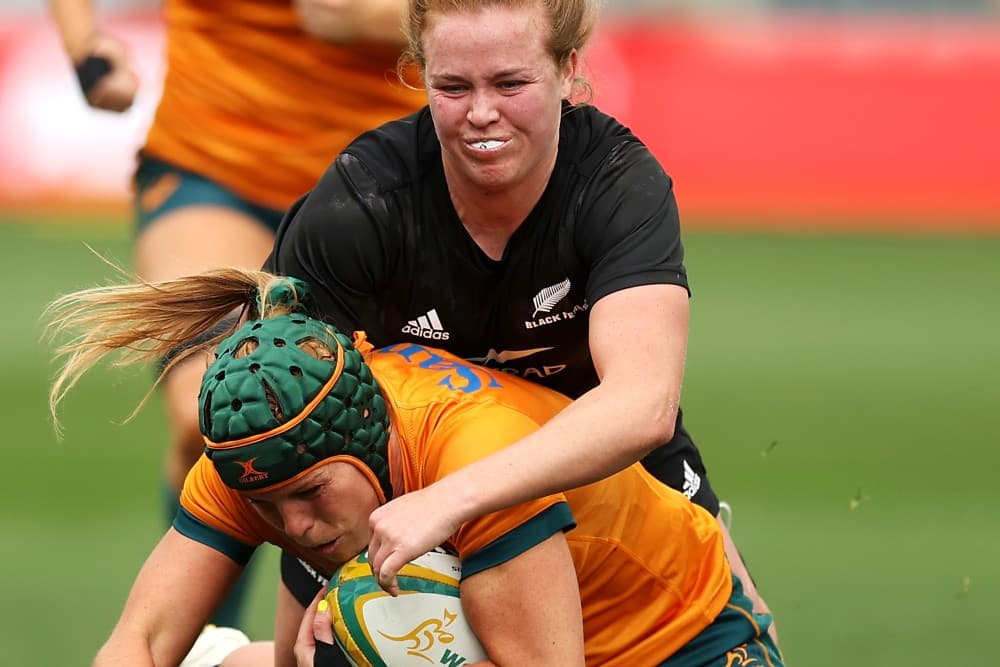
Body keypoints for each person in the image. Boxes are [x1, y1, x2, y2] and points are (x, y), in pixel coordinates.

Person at [263, 0, 779, 649]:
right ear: (420, 74)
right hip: (397, 513)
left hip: (608, 486)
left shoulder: (618, 183)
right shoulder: (359, 206)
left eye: (510, 83)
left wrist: (452, 497)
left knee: (747, 633)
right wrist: (331, 568)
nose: (482, 112)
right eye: (453, 86)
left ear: (567, 70)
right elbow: (282, 407)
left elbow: (643, 405)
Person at [46, 271, 782, 667]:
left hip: (681, 640)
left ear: (366, 440)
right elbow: (137, 642)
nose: (292, 527)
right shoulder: (257, 458)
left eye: (310, 493)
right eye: (266, 510)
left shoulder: (474, 452)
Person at [46, 0, 425, 632]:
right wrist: (87, 44)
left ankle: (364, 629)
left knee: (401, 418)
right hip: (216, 163)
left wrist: (379, 18)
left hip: (388, 186)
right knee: (214, 409)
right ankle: (200, 644)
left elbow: (542, 17)